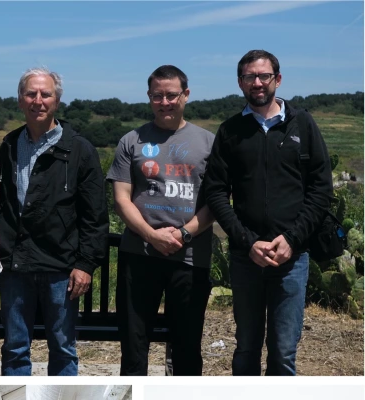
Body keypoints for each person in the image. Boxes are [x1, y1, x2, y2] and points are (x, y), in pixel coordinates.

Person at [201, 49, 333, 376]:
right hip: (247, 257)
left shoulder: (303, 124)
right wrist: (247, 242)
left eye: (264, 76)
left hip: (292, 257)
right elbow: (216, 192)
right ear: (240, 82)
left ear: (278, 79)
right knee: (245, 346)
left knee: (284, 351)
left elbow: (320, 190)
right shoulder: (231, 131)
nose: (257, 83)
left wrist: (291, 238)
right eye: (249, 77)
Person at [0, 67, 108, 376]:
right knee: (15, 348)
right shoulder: (8, 145)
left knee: (62, 348)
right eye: (31, 93)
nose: (38, 100)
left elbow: (95, 215)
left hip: (62, 268)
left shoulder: (79, 150)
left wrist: (85, 265)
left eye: (45, 94)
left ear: (56, 100)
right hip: (16, 266)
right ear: (20, 100)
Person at [109, 65, 216, 376]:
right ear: (149, 97)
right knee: (133, 345)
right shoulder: (131, 140)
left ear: (186, 94)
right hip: (139, 254)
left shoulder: (208, 142)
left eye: (172, 95)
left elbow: (215, 202)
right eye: (158, 96)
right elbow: (121, 199)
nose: (165, 102)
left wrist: (183, 235)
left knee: (187, 347)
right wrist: (151, 235)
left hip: (191, 257)